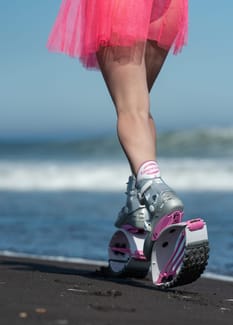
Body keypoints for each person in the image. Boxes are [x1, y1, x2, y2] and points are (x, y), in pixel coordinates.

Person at [47, 0, 188, 258]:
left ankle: (153, 190)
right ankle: (138, 206)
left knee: (131, 108)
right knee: (140, 108)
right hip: (169, 8)